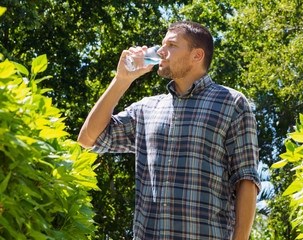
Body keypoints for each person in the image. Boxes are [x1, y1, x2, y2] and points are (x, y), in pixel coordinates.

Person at [78, 21, 261, 240]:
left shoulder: (231, 103)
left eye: (172, 45)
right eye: (162, 44)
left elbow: (246, 180)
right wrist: (121, 81)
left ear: (197, 55)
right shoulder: (146, 108)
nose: (162, 51)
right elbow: (88, 138)